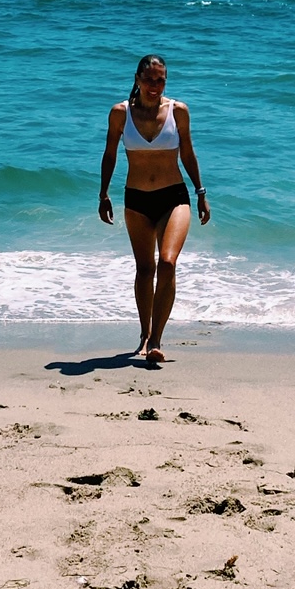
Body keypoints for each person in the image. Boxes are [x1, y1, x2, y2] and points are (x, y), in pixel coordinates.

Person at [99, 54, 210, 367]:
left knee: (168, 263)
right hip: (136, 199)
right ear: (137, 78)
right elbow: (109, 155)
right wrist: (103, 193)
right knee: (145, 269)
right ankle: (144, 333)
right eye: (149, 78)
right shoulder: (120, 113)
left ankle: (156, 339)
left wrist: (201, 192)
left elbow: (187, 152)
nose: (154, 85)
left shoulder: (179, 111)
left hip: (174, 197)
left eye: (160, 79)